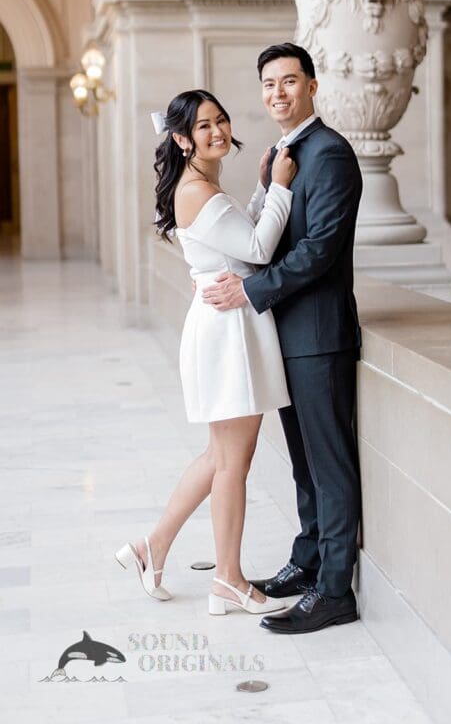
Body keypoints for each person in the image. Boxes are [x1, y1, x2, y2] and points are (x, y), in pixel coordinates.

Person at [115, 89, 297, 617]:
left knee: (220, 456)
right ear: (180, 139)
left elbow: (241, 243)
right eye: (203, 127)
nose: (218, 131)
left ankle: (153, 547)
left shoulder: (200, 184)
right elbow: (260, 250)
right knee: (233, 462)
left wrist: (264, 188)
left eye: (221, 120)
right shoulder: (197, 190)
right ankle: (229, 580)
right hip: (228, 331)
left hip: (225, 324)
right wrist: (281, 189)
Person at [201, 43, 363, 635]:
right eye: (268, 84)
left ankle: (333, 591)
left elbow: (320, 251)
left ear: (312, 86)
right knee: (303, 465)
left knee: (330, 466)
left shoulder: (331, 155)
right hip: (286, 336)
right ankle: (307, 560)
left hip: (319, 336)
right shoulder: (281, 155)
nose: (277, 93)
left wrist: (250, 292)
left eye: (289, 82)